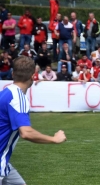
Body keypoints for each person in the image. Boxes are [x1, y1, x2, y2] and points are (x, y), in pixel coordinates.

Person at [0, 56, 66, 185]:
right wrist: (54, 139)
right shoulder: (18, 98)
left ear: (13, 74)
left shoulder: (4, 93)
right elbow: (26, 132)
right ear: (33, 76)